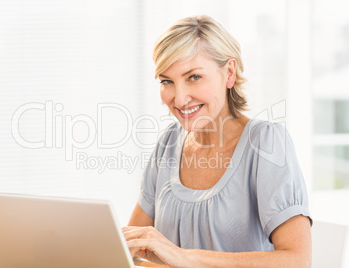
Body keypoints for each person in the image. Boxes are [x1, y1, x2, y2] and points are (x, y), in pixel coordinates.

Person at [123, 15, 312, 267]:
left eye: (194, 77)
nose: (179, 100)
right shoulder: (169, 142)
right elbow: (129, 251)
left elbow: (297, 260)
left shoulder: (266, 143)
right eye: (167, 81)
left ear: (229, 73)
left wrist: (184, 258)